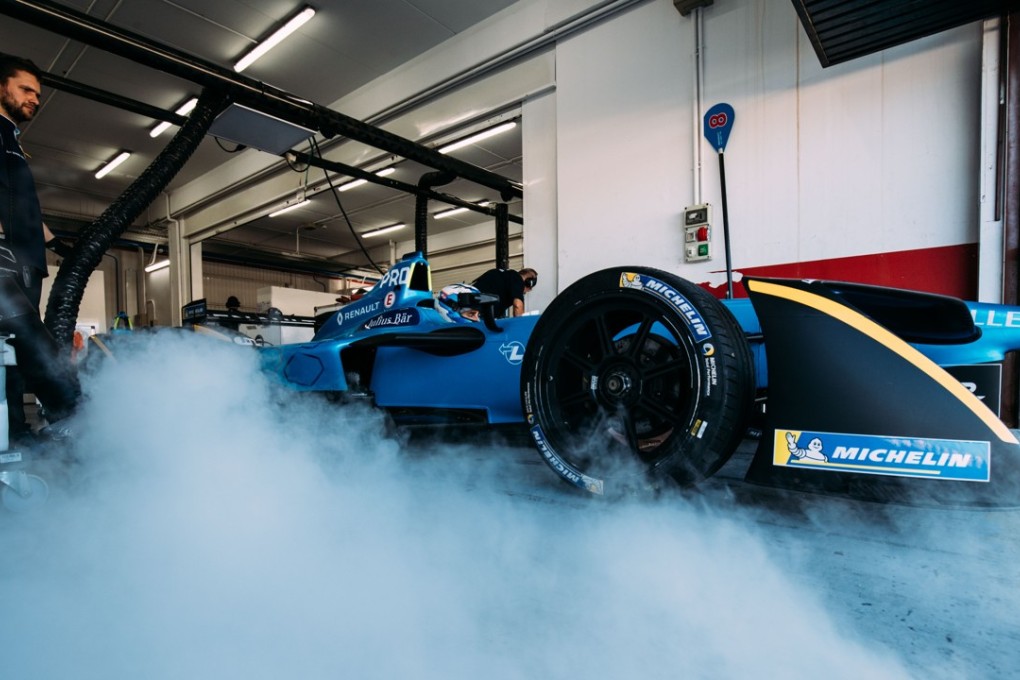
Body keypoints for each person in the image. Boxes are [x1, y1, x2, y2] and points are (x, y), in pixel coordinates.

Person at [0, 53, 80, 441]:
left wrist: (58, 244)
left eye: (38, 92)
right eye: (25, 89)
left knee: (12, 358)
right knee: (29, 342)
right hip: (5, 260)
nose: (35, 98)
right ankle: (73, 412)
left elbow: (22, 206)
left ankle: (17, 435)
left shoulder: (11, 141)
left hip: (27, 262)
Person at [472, 267, 537, 318]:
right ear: (528, 282)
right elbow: (518, 306)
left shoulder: (501, 274)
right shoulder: (517, 279)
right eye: (530, 288)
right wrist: (521, 327)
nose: (529, 290)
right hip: (479, 313)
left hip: (469, 309)